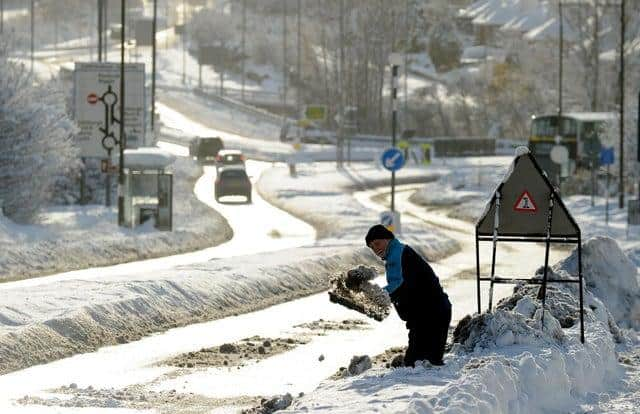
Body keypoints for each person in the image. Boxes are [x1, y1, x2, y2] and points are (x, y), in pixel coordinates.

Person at [365, 224, 452, 367]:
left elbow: (396, 284)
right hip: (433, 312)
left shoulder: (395, 254)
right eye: (372, 247)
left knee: (417, 365)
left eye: (377, 243)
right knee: (427, 364)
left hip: (430, 315)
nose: (375, 249)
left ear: (387, 239)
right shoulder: (399, 251)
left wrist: (375, 296)